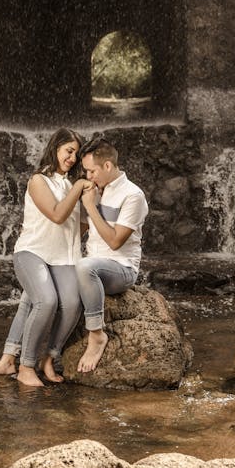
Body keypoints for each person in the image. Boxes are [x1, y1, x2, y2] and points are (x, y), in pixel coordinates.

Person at [0, 128, 92, 387]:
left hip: (64, 258)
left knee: (71, 304)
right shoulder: (39, 180)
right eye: (68, 151)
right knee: (46, 301)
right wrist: (81, 186)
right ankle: (25, 366)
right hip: (32, 252)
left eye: (76, 154)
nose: (72, 158)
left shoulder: (72, 185)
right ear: (55, 147)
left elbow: (82, 225)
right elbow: (57, 214)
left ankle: (46, 358)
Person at [75, 137, 149, 373]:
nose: (88, 177)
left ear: (107, 166)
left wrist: (89, 206)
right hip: (91, 265)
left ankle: (97, 334)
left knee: (86, 267)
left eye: (91, 171)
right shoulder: (96, 191)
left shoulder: (132, 195)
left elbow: (115, 241)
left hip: (121, 269)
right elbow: (80, 230)